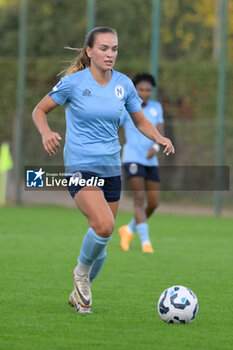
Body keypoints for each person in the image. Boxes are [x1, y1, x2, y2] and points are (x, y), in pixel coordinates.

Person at [32, 27, 174, 314]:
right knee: (106, 226)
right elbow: (39, 110)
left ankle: (79, 293)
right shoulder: (72, 83)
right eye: (104, 48)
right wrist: (46, 133)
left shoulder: (124, 84)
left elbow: (140, 120)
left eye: (114, 49)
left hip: (111, 167)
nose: (110, 54)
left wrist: (158, 137)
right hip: (80, 166)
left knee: (102, 240)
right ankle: (81, 274)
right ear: (90, 51)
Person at [118, 73, 163, 253]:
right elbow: (114, 128)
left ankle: (128, 229)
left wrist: (156, 148)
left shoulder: (156, 107)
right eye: (141, 89)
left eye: (148, 90)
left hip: (151, 161)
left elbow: (160, 132)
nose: (145, 93)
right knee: (139, 198)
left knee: (153, 203)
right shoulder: (127, 108)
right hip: (132, 158)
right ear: (135, 90)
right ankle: (146, 243)